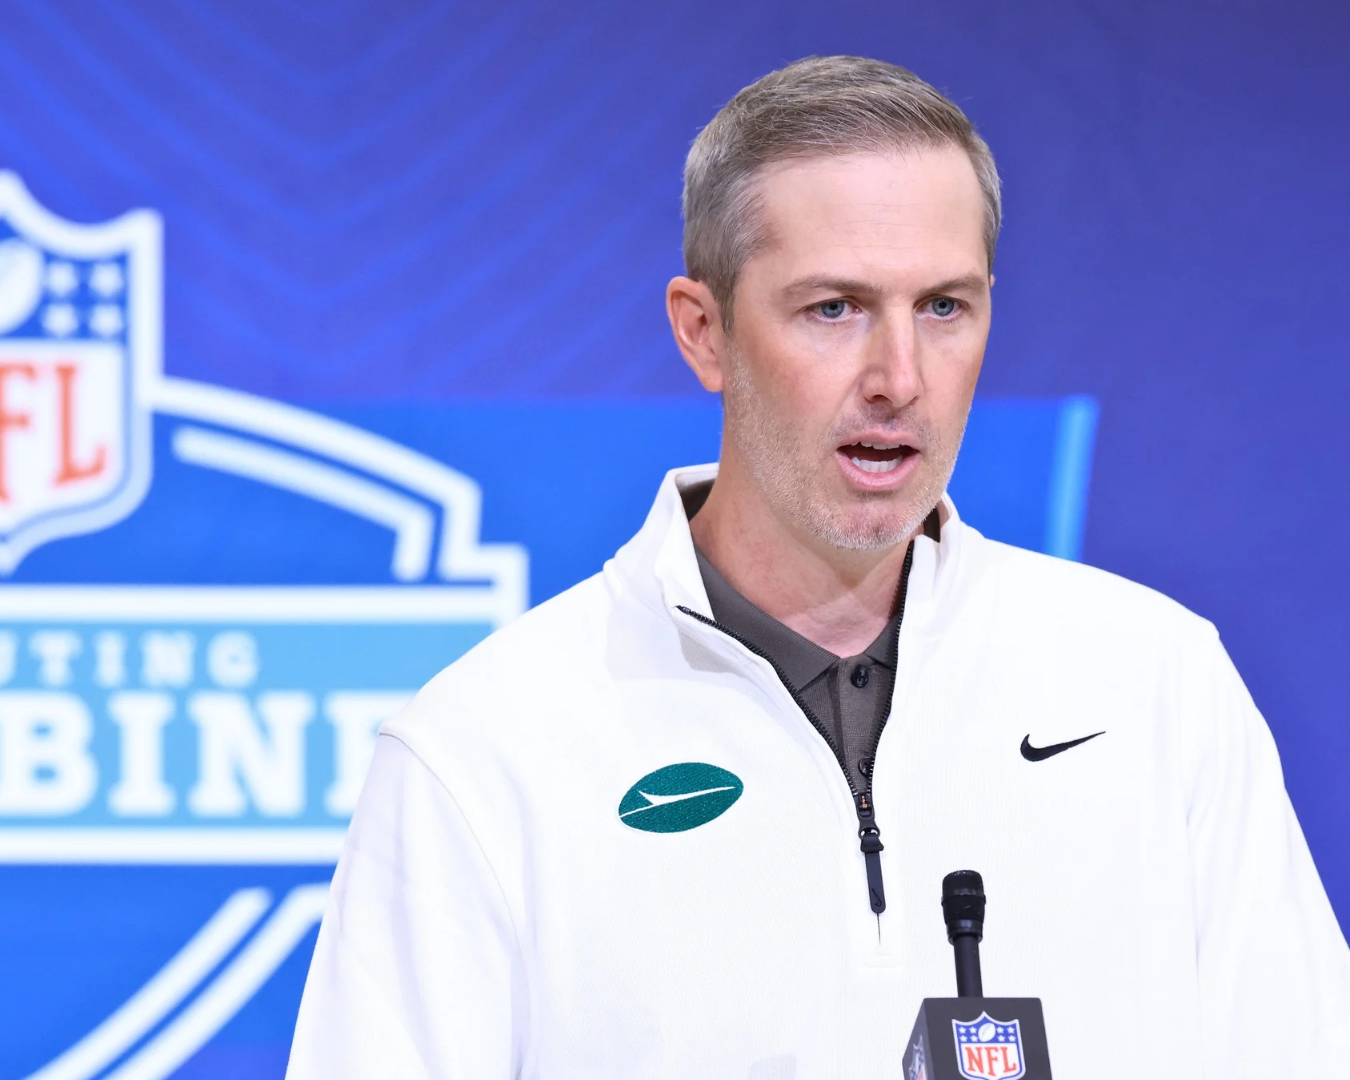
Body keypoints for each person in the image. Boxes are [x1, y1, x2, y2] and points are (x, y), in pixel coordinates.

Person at [285, 55, 1350, 1078]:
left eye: (944, 307)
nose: (899, 377)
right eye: (833, 308)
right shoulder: (486, 753)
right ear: (706, 334)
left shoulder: (1156, 685)